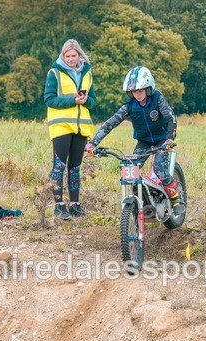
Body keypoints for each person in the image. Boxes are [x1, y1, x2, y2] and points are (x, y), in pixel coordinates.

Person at [86, 66, 184, 215]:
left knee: (159, 169)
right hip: (143, 141)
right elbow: (110, 124)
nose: (137, 95)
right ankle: (143, 202)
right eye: (134, 92)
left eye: (140, 91)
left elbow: (170, 118)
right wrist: (93, 143)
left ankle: (176, 199)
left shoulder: (157, 99)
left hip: (162, 140)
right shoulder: (129, 106)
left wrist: (169, 139)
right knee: (130, 171)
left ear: (148, 88)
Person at [44, 39, 96, 219]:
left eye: (74, 56)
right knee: (59, 165)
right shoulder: (54, 73)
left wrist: (85, 100)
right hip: (61, 125)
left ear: (79, 55)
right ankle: (59, 206)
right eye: (67, 56)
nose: (71, 59)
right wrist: (71, 100)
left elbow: (93, 101)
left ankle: (74, 205)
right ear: (62, 55)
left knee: (75, 167)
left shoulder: (87, 73)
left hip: (81, 126)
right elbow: (49, 99)